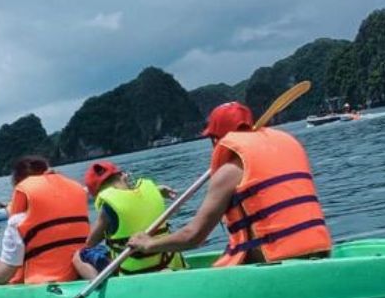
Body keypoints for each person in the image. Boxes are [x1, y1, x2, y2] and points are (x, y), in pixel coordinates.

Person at [129, 101, 332, 266]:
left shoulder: (229, 173)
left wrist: (148, 244)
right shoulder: (285, 149)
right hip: (320, 252)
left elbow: (193, 236)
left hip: (276, 263)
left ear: (217, 139)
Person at [0, 156, 88, 285]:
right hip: (80, 275)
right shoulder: (78, 202)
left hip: (44, 284)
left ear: (18, 185)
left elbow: (2, 276)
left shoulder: (18, 221)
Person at [72, 160, 186, 280]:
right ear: (123, 176)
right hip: (168, 262)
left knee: (80, 255)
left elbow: (90, 242)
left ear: (98, 192)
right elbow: (133, 200)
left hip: (135, 272)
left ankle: (102, 289)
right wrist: (157, 190)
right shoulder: (151, 190)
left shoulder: (108, 206)